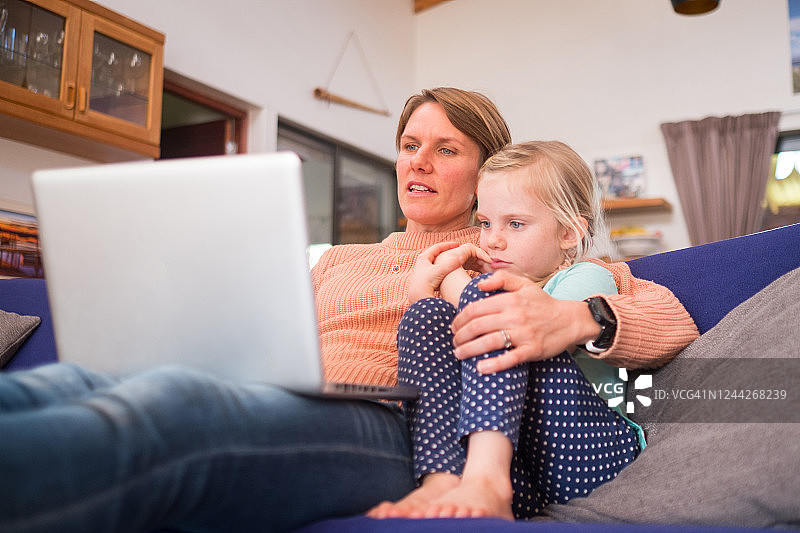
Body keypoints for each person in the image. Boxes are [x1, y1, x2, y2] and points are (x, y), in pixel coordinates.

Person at [0, 88, 699, 533]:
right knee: (68, 384)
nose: (418, 161)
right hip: (278, 395)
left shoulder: (514, 253)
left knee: (167, 407)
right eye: (408, 145)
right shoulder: (338, 258)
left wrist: (580, 320)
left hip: (388, 423)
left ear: (486, 170)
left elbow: (669, 314)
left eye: (445, 147)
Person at [369, 140, 646, 522]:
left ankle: (487, 479)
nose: (492, 239)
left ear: (568, 233)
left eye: (515, 224)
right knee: (425, 315)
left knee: (496, 311)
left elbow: (519, 318)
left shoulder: (587, 277)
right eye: (485, 223)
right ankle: (443, 481)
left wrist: (449, 278)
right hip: (524, 469)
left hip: (590, 456)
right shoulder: (484, 285)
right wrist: (423, 296)